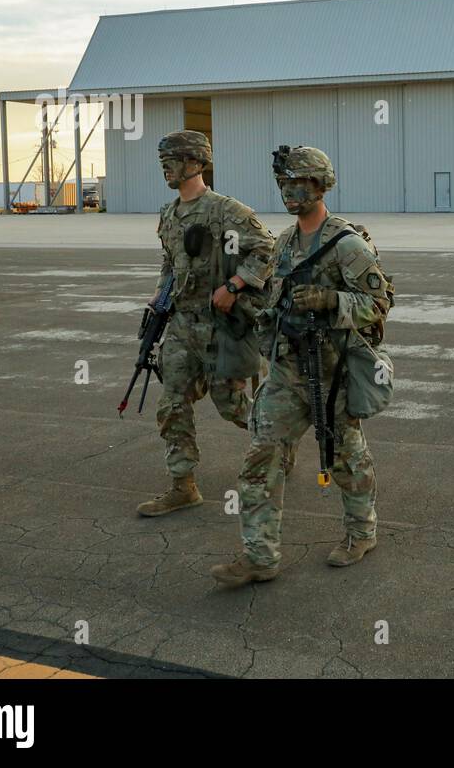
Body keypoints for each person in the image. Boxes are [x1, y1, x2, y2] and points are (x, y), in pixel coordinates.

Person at [211, 145, 391, 585]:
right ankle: (260, 555)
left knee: (347, 459)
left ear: (320, 185)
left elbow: (379, 303)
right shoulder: (284, 243)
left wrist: (333, 300)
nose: (289, 192)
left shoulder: (346, 244)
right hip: (288, 372)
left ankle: (361, 532)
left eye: (298, 184)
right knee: (260, 458)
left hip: (334, 376)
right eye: (283, 184)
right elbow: (273, 297)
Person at [138, 131, 274, 518]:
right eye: (164, 160)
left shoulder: (226, 211)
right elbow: (170, 261)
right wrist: (159, 295)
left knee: (233, 407)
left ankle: (280, 441)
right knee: (172, 404)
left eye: (175, 159)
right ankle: (183, 485)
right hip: (181, 325)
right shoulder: (168, 215)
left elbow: (267, 250)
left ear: (196, 163)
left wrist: (234, 284)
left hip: (220, 325)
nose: (166, 166)